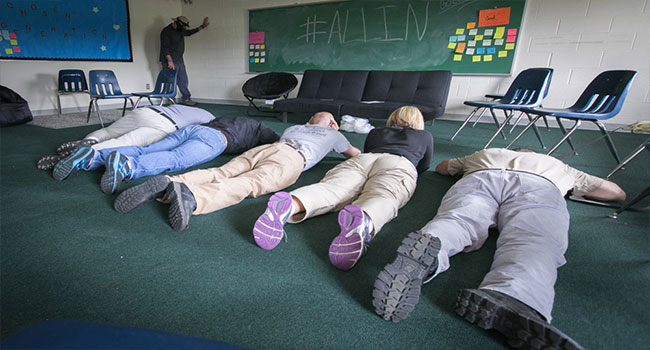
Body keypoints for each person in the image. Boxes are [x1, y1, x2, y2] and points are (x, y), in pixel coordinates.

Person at [372, 148, 626, 349]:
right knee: (535, 240)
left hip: (481, 176)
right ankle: (515, 295)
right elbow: (616, 193)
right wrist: (569, 185)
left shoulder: (486, 152)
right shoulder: (559, 166)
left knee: (457, 221)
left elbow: (442, 167)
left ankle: (430, 254)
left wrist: (468, 164)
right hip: (540, 184)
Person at [253, 106, 433, 271]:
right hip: (399, 163)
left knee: (332, 188)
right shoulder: (424, 136)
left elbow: (367, 150)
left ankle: (292, 204)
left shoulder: (377, 132)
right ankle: (365, 219)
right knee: (384, 195)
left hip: (364, 159)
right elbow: (424, 165)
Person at [114, 112, 361, 232]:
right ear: (331, 124)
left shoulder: (295, 127)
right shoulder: (334, 134)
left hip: (268, 148)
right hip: (291, 160)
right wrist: (336, 131)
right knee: (248, 184)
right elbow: (356, 156)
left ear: (309, 121)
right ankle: (193, 197)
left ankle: (170, 181)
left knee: (221, 171)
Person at [52, 116, 280, 195]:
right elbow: (275, 142)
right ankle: (127, 166)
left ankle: (91, 157)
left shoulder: (231, 115)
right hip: (216, 140)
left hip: (194, 129)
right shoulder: (260, 127)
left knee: (148, 149)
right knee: (176, 159)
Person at [37, 105, 215, 170]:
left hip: (148, 110)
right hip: (164, 126)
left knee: (108, 132)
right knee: (123, 142)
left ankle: (89, 141)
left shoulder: (192, 108)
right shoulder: (211, 120)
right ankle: (73, 157)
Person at [160, 15, 209, 105]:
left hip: (179, 60)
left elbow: (189, 32)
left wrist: (202, 27)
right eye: (182, 26)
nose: (183, 28)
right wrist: (169, 60)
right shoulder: (166, 31)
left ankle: (186, 98)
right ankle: (171, 101)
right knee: (171, 82)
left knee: (183, 80)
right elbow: (165, 47)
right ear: (176, 23)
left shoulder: (180, 30)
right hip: (169, 61)